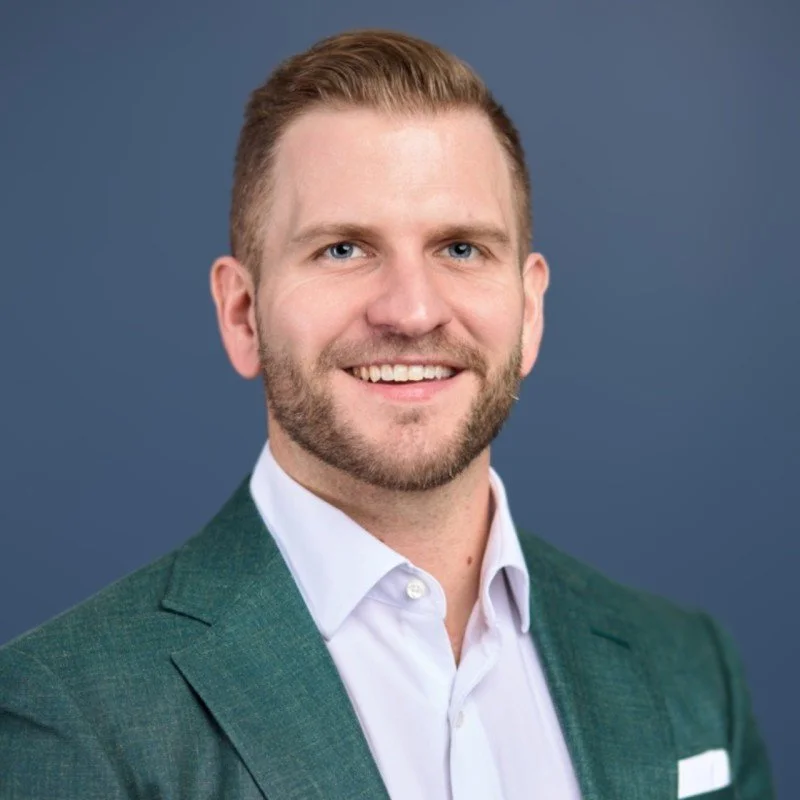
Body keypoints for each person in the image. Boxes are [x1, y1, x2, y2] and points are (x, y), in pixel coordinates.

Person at [0, 29, 773, 800]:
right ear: (242, 314)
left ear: (530, 310)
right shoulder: (69, 714)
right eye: (343, 249)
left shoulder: (687, 668)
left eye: (462, 248)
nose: (411, 311)